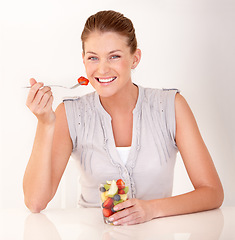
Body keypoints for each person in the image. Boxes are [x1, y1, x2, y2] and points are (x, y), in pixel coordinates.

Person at [23, 10, 224, 225]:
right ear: (83, 61)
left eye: (114, 56)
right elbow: (35, 202)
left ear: (135, 58)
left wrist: (151, 209)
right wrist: (44, 123)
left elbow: (212, 192)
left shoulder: (171, 106)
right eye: (93, 58)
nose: (102, 69)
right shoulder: (70, 113)